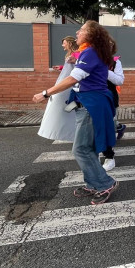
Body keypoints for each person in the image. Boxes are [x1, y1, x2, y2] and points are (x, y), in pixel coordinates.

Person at [33, 21, 119, 205]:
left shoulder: (90, 52)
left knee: (80, 149)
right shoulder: (91, 51)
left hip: (91, 105)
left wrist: (45, 93)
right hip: (89, 103)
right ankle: (92, 183)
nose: (77, 32)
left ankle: (105, 183)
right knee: (88, 148)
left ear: (91, 34)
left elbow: (74, 79)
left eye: (82, 30)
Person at [38, 36, 79, 142]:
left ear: (69, 43)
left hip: (70, 86)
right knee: (69, 108)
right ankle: (72, 131)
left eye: (64, 43)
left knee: (67, 107)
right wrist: (62, 67)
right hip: (67, 84)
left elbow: (76, 71)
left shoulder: (76, 54)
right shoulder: (71, 55)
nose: (62, 45)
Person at [101, 54, 126, 171]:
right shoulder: (88, 57)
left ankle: (109, 156)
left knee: (107, 127)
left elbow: (119, 80)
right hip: (92, 97)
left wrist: (104, 70)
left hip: (109, 97)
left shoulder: (115, 62)